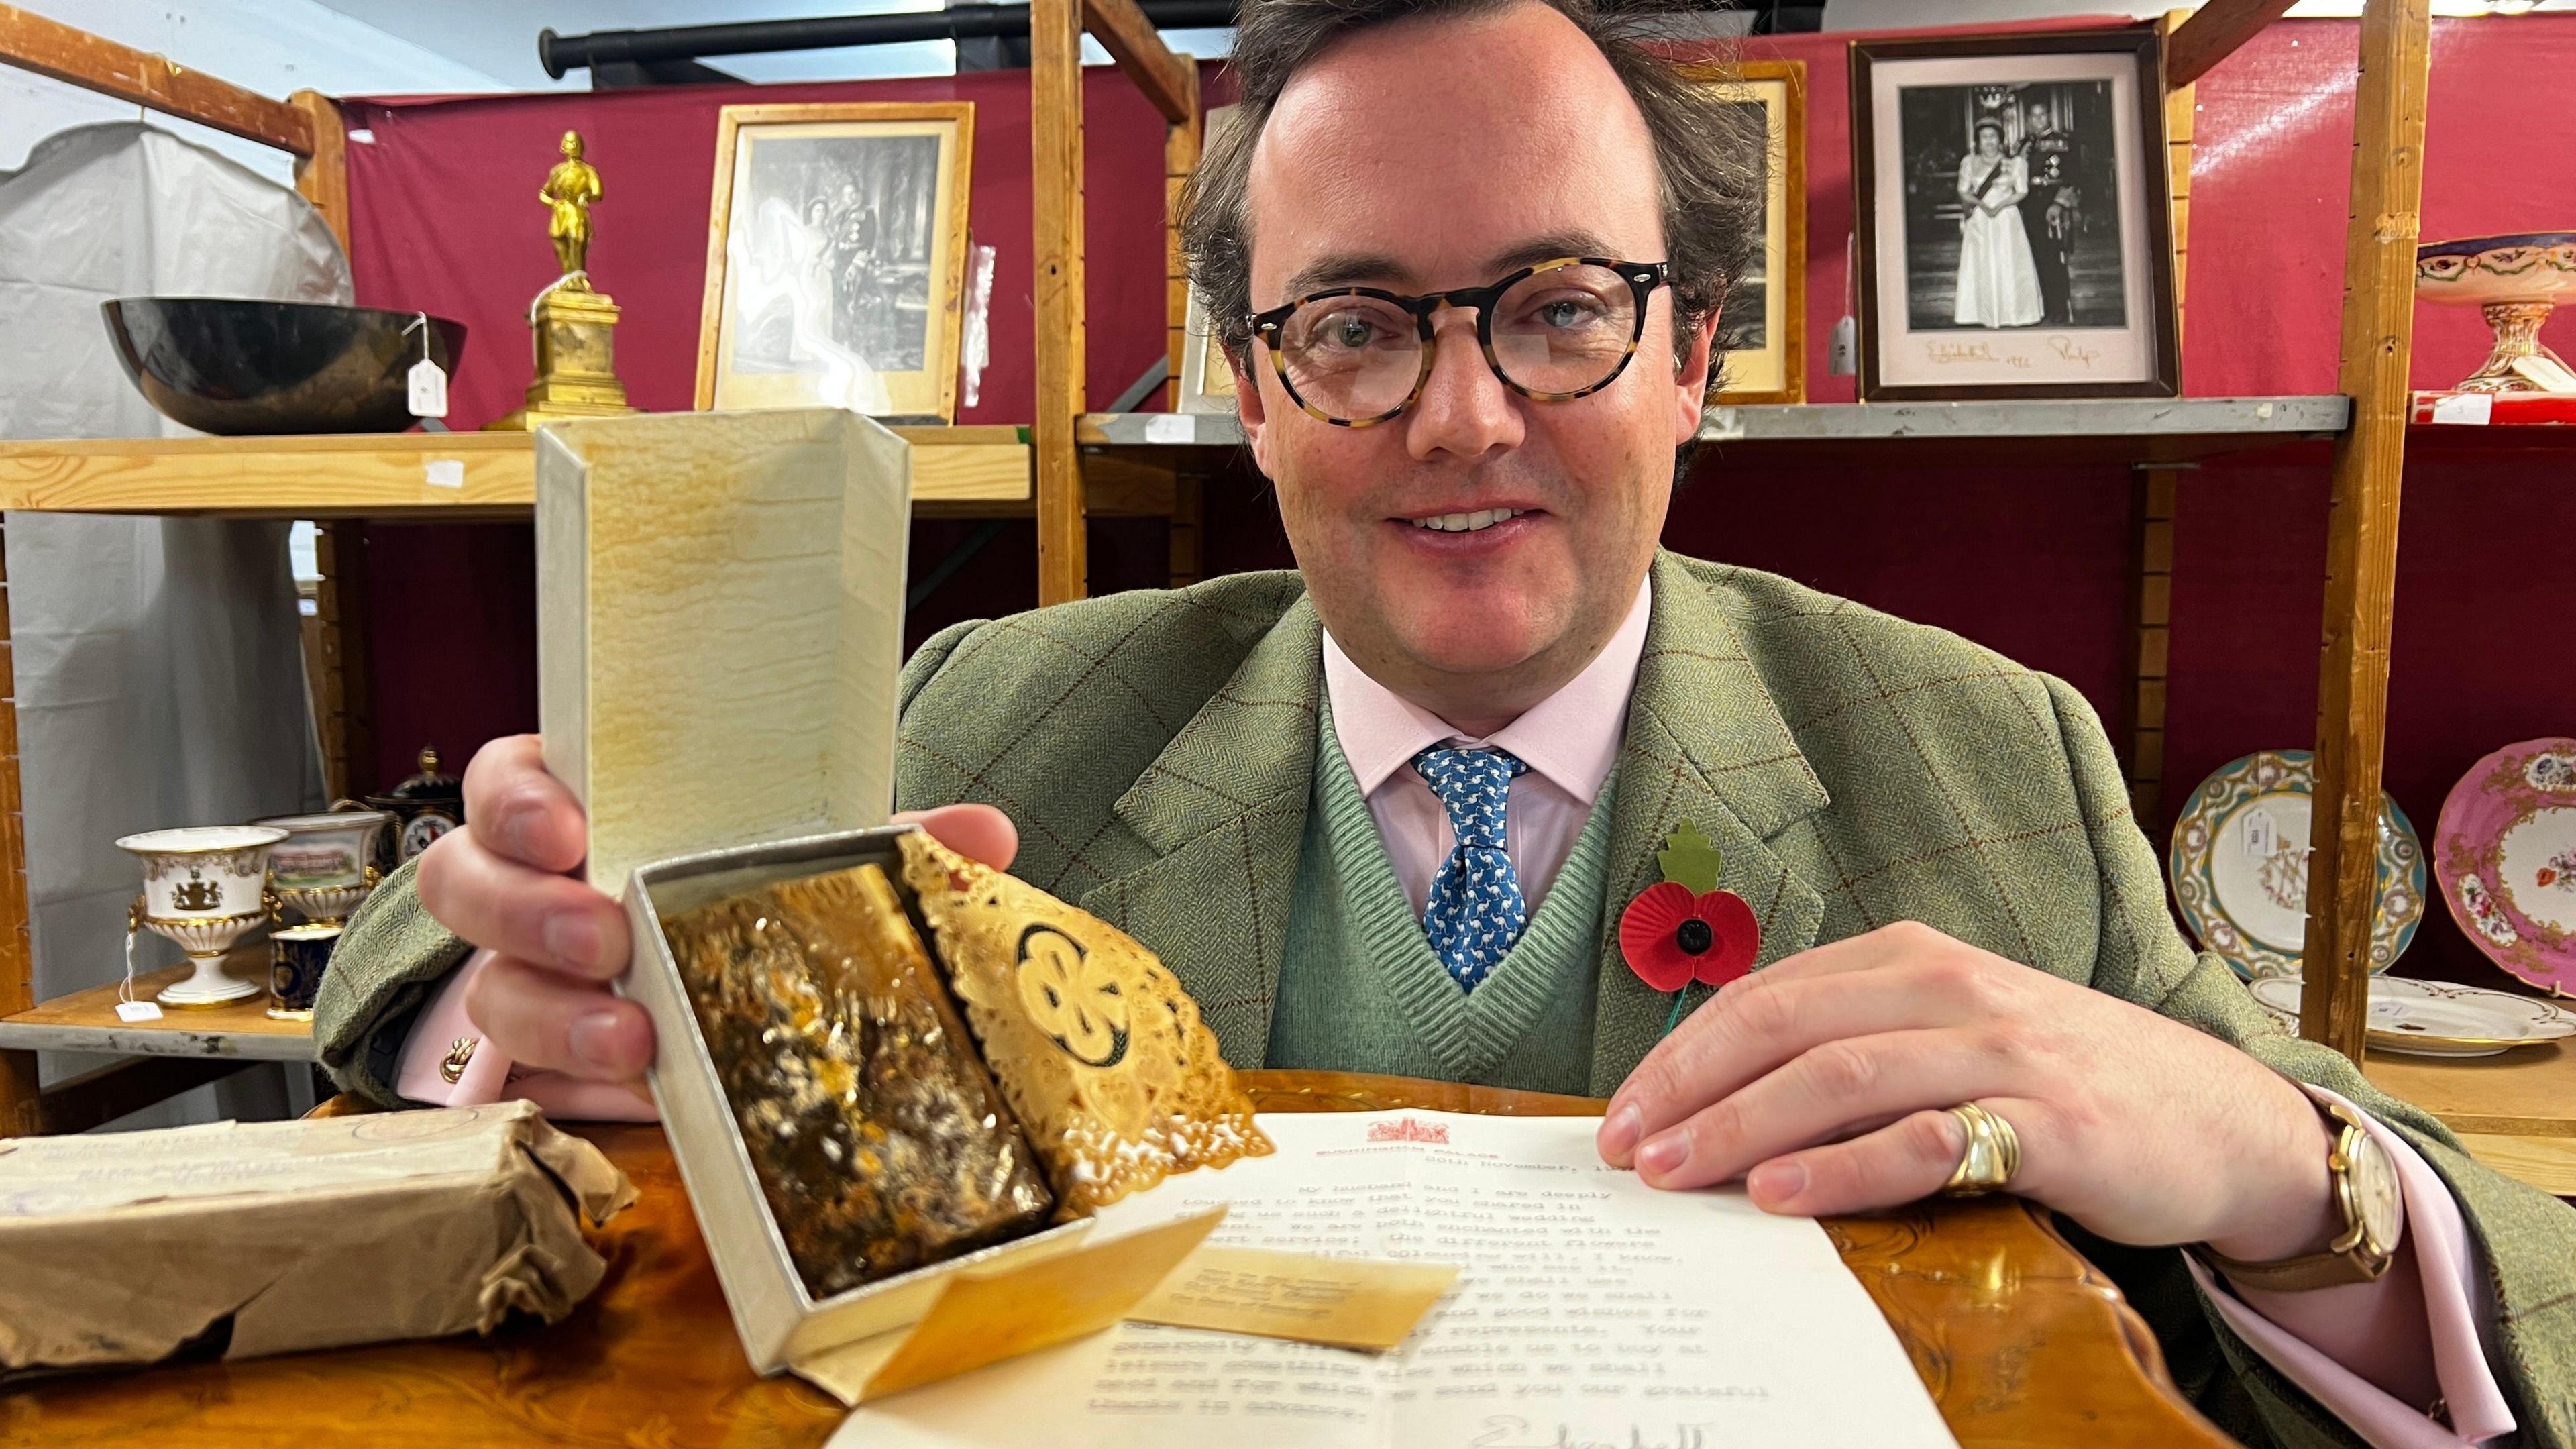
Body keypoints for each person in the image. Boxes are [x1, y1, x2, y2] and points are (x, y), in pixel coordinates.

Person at [314, 2, 2576, 1444]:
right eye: (1360, 327)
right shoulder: (997, 716)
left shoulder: (1991, 766)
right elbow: (411, 999)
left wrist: (2292, 1169)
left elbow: (2504, 1305)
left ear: (1701, 359)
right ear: (1252, 390)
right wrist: (526, 1003)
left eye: (1562, 311)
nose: (1464, 414)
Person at [1951, 118, 2042, 329]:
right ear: (1978, 141)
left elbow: (2022, 191)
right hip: (1981, 219)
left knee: (2008, 261)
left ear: (2000, 140)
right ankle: (1981, 313)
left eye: (1993, 137)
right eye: (1985, 137)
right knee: (1981, 262)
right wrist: (1982, 204)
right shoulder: (1968, 162)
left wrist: (1999, 206)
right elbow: (1963, 190)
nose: (1989, 141)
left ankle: (2013, 313)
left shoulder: (2015, 163)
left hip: (2007, 218)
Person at [2017, 97, 2080, 325]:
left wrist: (2059, 204)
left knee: (2054, 258)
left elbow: (2074, 176)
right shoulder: (2023, 144)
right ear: (2028, 120)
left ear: (2050, 116)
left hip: (2052, 204)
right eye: (2034, 116)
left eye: (2042, 115)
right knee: (2034, 257)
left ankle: (2060, 308)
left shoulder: (2064, 142)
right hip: (2029, 204)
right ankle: (2042, 307)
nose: (2038, 120)